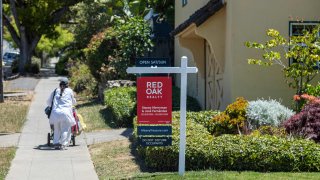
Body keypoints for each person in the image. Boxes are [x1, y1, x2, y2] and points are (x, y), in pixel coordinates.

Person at [47, 77, 76, 150]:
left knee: (56, 129)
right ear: (67, 84)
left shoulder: (55, 91)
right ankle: (63, 144)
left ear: (59, 84)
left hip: (55, 114)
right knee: (65, 129)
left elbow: (48, 102)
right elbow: (74, 102)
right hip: (66, 114)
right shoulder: (70, 91)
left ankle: (56, 143)